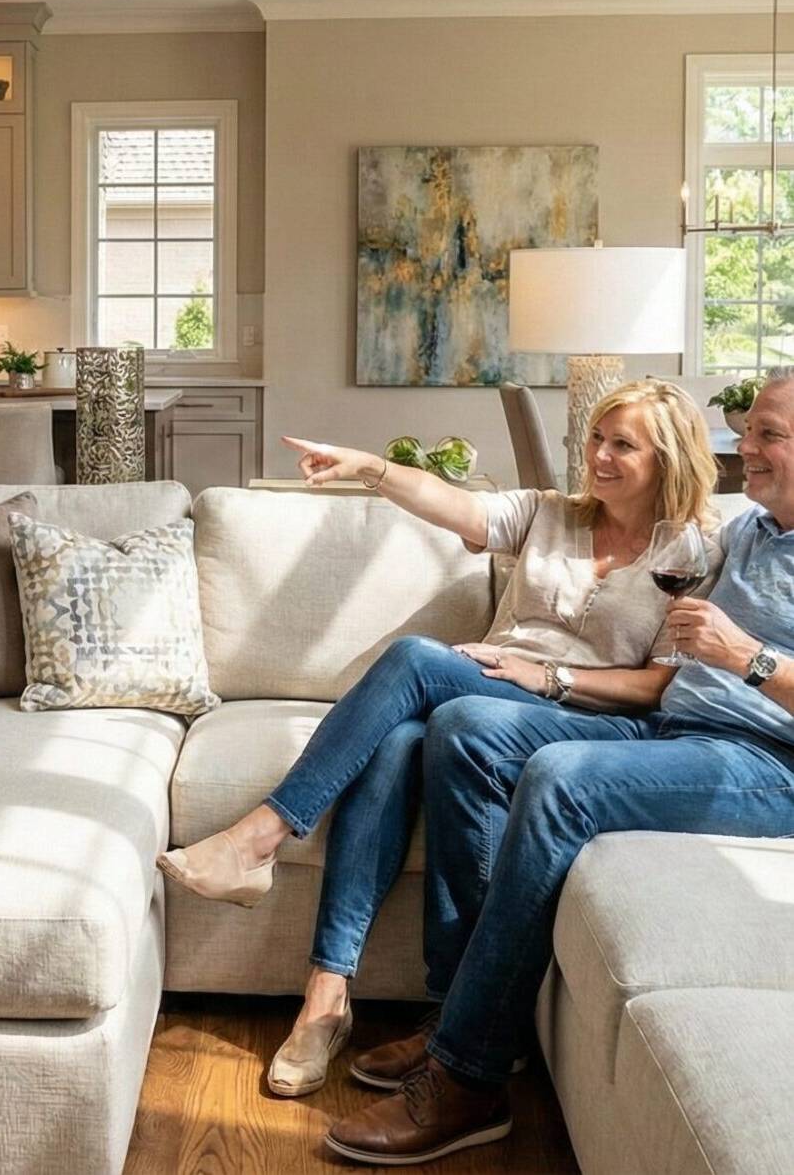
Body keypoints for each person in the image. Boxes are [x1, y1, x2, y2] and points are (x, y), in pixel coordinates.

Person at [157, 380, 720, 1103]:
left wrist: (547, 675)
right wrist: (368, 467)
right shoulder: (552, 514)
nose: (599, 456)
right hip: (491, 695)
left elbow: (657, 688)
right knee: (397, 746)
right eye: (596, 439)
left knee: (417, 660)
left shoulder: (693, 554)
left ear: (666, 458)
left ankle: (259, 837)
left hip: (592, 717)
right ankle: (325, 998)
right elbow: (449, 502)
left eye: (622, 445)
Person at [324, 369, 794, 1166]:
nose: (743, 448)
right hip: (674, 732)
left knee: (558, 779)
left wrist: (748, 657)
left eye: (767, 436)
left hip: (765, 762)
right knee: (466, 728)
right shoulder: (747, 528)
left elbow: (736, 659)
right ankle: (455, 1011)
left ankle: (469, 1077)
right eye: (747, 431)